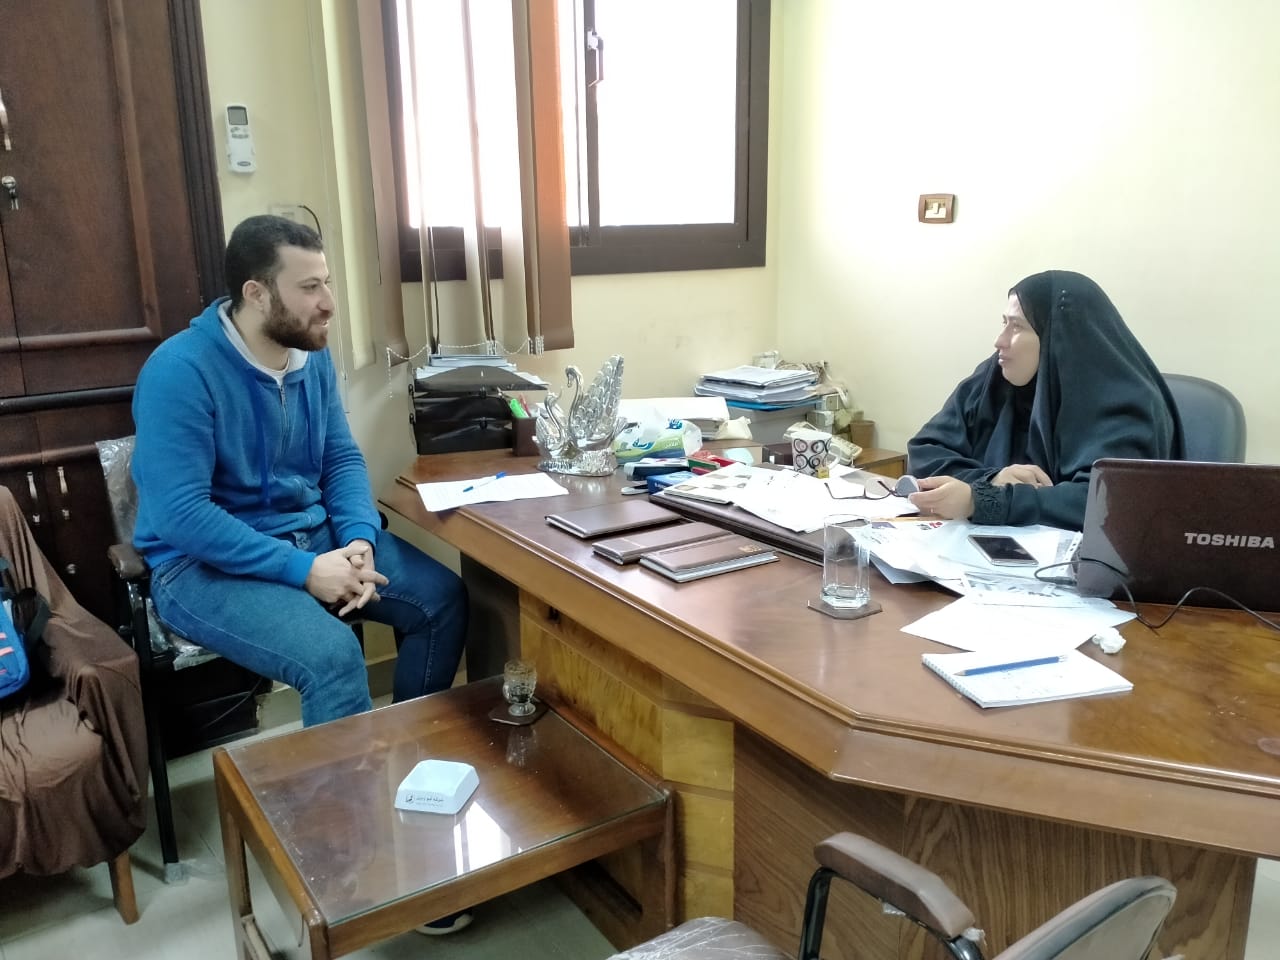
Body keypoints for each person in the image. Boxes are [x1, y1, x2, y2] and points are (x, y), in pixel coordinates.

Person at [131, 215, 468, 729]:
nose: (328, 302)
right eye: (310, 287)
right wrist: (304, 569)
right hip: (201, 564)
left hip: (312, 535)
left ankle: (410, 750)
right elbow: (182, 515)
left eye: (326, 282)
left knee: (441, 600)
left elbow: (340, 458)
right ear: (257, 294)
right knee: (334, 658)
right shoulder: (179, 371)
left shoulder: (310, 354)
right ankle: (346, 784)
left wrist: (359, 538)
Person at [906, 270, 1183, 530]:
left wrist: (984, 500)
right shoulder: (993, 378)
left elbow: (1106, 503)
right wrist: (992, 478)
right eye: (1004, 323)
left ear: (1056, 338)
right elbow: (924, 451)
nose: (999, 341)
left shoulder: (1123, 404)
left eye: (1017, 326)